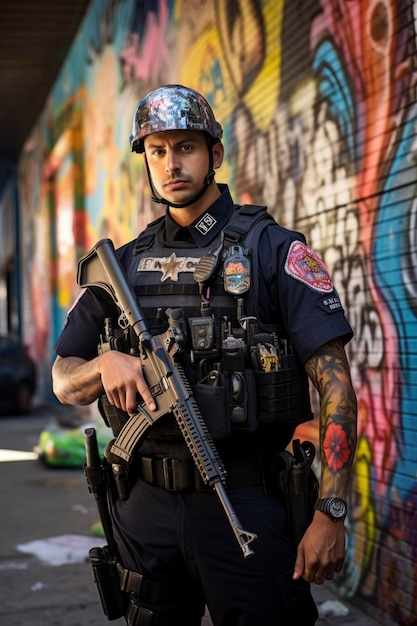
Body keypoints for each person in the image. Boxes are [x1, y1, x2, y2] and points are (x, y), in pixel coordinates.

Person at [52, 84, 357, 626]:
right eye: (157, 150)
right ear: (145, 161)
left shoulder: (273, 251)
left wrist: (331, 513)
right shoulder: (121, 267)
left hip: (245, 498)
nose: (172, 163)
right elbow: (63, 376)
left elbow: (336, 387)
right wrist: (103, 366)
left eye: (186, 147)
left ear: (215, 154)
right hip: (143, 506)